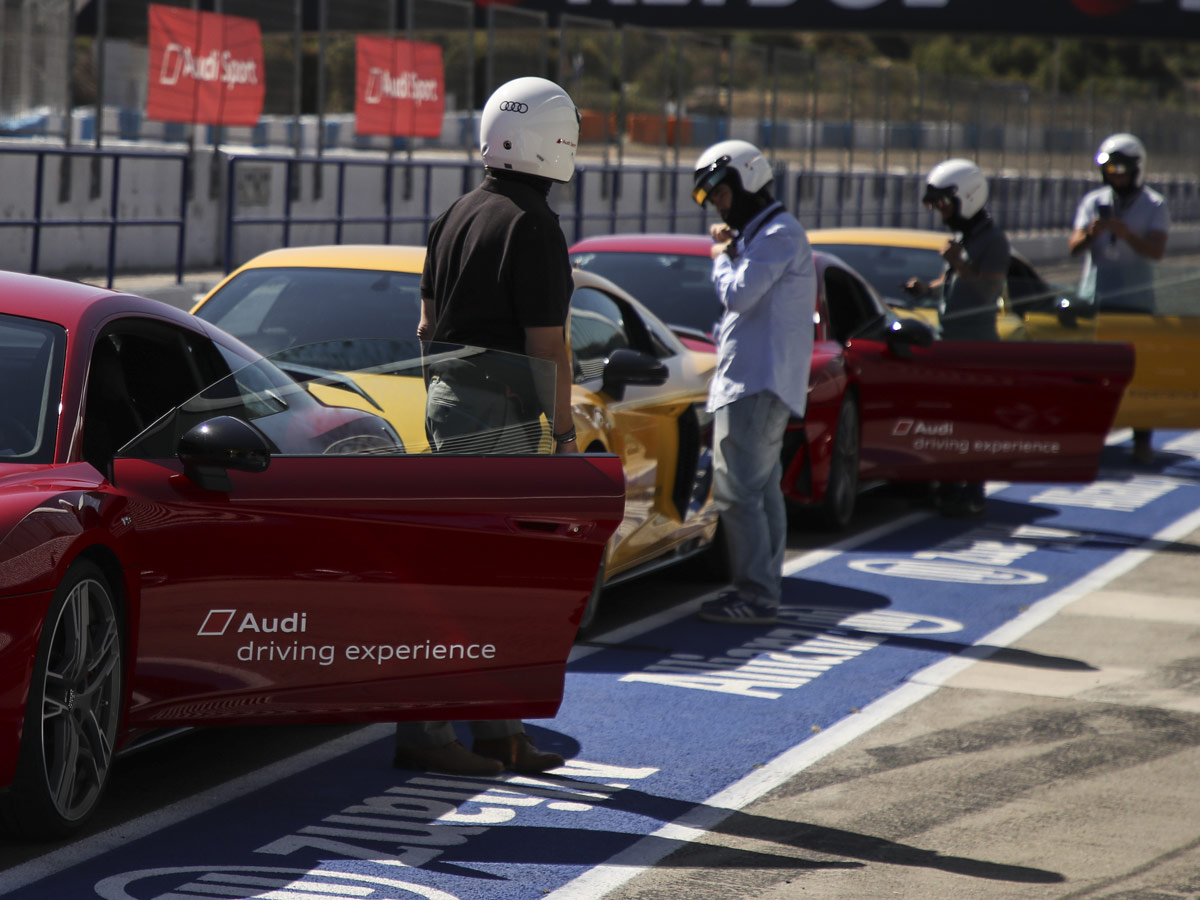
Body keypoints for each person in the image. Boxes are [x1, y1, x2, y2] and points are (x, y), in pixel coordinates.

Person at [393, 76, 581, 777]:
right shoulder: (535, 226)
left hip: (448, 399)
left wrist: (444, 393)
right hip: (499, 411)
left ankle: (495, 734)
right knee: (489, 577)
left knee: (468, 570)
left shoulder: (454, 214)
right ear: (555, 143)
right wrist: (562, 438)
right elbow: (547, 347)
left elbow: (422, 326)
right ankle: (434, 735)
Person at [690, 139, 816, 626]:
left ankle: (756, 594)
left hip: (754, 385)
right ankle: (764, 590)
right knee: (761, 493)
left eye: (720, 194)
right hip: (756, 383)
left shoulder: (780, 235)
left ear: (744, 180)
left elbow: (739, 295)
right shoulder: (772, 235)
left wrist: (720, 255)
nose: (719, 206)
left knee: (739, 494)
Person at [904, 158, 1010, 517]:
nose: (940, 212)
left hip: (976, 344)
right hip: (949, 340)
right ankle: (949, 486)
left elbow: (986, 292)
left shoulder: (993, 240)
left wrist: (959, 262)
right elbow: (955, 286)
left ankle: (973, 490)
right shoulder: (967, 237)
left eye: (944, 203)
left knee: (972, 419)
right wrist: (927, 290)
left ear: (967, 197)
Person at [1068, 133, 1169, 465]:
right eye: (1110, 170)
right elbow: (1072, 248)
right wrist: (1090, 233)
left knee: (1138, 375)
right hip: (1095, 299)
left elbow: (1156, 251)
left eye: (1122, 169)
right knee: (1090, 375)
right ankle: (1088, 437)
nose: (1116, 175)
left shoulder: (1154, 205)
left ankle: (1142, 440)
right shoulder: (1092, 201)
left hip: (1136, 303)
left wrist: (1127, 235)